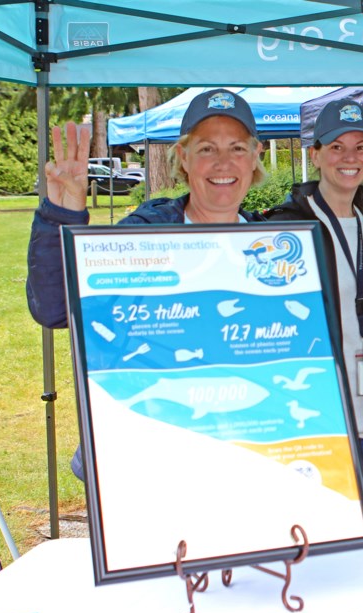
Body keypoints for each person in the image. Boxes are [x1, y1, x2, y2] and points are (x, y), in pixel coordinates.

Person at [26, 89, 267, 480]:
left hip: (241, 456)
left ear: (255, 157)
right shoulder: (144, 237)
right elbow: (56, 308)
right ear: (183, 158)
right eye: (207, 148)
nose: (223, 162)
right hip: (143, 459)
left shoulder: (274, 248)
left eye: (237, 147)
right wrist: (60, 215)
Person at [265, 99, 363, 535]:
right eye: (336, 147)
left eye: (360, 147)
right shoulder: (289, 226)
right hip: (316, 421)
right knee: (314, 546)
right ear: (314, 155)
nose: (349, 158)